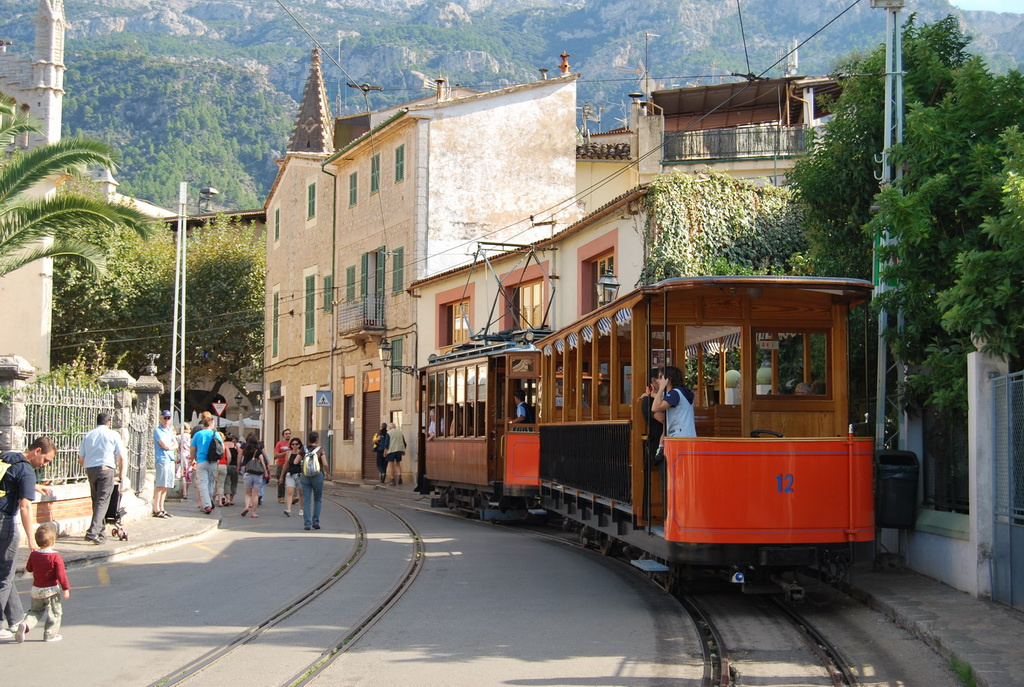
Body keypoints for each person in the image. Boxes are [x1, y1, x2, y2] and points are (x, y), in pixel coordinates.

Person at [0, 437, 56, 639]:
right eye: (46, 460)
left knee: (5, 572)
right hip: (4, 522)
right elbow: (25, 506)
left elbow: (10, 481)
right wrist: (31, 538)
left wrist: (35, 486)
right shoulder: (28, 471)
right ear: (37, 451)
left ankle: (15, 619)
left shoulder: (8, 457)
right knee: (4, 576)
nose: (45, 464)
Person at [78, 413, 128, 544]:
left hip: (90, 469)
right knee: (103, 501)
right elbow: (121, 456)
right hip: (106, 469)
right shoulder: (113, 434)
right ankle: (92, 532)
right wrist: (122, 473)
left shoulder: (88, 435)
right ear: (108, 422)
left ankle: (101, 531)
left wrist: (90, 466)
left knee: (96, 500)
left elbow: (81, 459)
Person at [16, 524, 69, 643]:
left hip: (36, 590)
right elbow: (61, 575)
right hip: (51, 590)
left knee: (35, 611)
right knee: (55, 613)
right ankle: (50, 634)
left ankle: (25, 625)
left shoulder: (34, 554)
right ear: (53, 541)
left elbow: (29, 568)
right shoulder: (55, 557)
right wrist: (65, 589)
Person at [651, 365, 697, 448]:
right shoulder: (682, 392)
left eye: (661, 377)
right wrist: (653, 394)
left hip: (679, 435)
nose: (658, 380)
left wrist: (661, 388)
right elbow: (662, 398)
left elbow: (655, 407)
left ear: (669, 379)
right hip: (688, 434)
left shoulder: (675, 393)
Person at [190, 415, 220, 514]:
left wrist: (192, 459)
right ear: (211, 424)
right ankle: (209, 501)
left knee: (202, 483)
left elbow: (193, 449)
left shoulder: (198, 434)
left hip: (201, 461)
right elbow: (221, 448)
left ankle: (206, 505)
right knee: (211, 482)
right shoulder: (216, 434)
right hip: (213, 462)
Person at [152, 410, 178, 519]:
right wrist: (170, 446)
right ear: (161, 418)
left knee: (166, 485)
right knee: (160, 484)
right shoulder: (157, 431)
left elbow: (176, 444)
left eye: (168, 418)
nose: (167, 420)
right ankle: (156, 508)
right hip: (162, 459)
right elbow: (163, 445)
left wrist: (170, 446)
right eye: (165, 418)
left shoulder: (170, 431)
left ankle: (162, 507)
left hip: (170, 458)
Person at [637, 368, 665, 461]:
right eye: (661, 378)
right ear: (654, 380)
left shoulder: (661, 398)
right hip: (658, 443)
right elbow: (662, 419)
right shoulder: (648, 401)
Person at [299, 432, 325, 531]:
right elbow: (325, 463)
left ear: (308, 439)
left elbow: (296, 461)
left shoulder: (303, 449)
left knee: (307, 500)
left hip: (305, 476)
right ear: (317, 439)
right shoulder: (320, 449)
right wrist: (326, 472)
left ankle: (307, 524)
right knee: (318, 499)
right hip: (318, 476)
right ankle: (316, 522)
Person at [240, 437, 269, 519]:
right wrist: (265, 472)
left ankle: (246, 507)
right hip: (257, 474)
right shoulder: (258, 451)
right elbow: (262, 462)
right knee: (255, 494)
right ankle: (253, 513)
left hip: (248, 473)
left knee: (247, 493)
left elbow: (243, 461)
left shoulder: (245, 451)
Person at [282, 437, 305, 518]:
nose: (294, 445)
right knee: (290, 491)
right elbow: (285, 465)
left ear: (299, 445)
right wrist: (282, 476)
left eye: (296, 444)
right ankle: (288, 509)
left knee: (301, 493)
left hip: (300, 475)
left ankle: (301, 509)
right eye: (293, 444)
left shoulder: (302, 453)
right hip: (290, 474)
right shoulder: (288, 453)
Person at [273, 429, 292, 504]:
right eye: (286, 434)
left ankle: (293, 496)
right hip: (281, 464)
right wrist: (285, 453)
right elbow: (276, 455)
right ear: (283, 435)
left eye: (289, 433)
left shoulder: (293, 444)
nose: (288, 435)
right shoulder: (279, 444)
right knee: (281, 480)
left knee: (292, 480)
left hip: (290, 465)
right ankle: (281, 497)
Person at [223, 433, 240, 506]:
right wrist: (239, 466)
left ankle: (227, 498)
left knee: (227, 482)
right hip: (234, 465)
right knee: (234, 482)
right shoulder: (236, 446)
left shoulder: (223, 445)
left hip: (226, 465)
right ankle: (232, 499)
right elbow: (239, 456)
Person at [177, 424, 193, 501]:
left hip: (180, 455)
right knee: (188, 473)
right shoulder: (190, 438)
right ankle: (186, 491)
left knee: (182, 473)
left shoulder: (178, 437)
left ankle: (183, 492)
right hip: (189, 455)